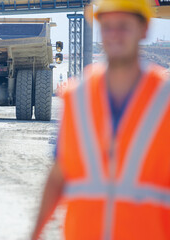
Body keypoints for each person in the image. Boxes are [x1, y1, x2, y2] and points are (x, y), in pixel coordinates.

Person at [32, 0, 170, 239]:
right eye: (107, 27)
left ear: (144, 29)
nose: (114, 35)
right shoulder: (76, 97)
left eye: (123, 26)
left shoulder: (165, 99)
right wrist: (35, 233)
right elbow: (58, 174)